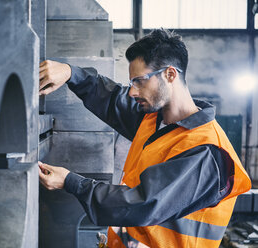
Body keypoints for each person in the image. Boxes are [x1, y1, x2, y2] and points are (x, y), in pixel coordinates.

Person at [38, 29, 251, 248]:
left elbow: (142, 203)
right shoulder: (154, 121)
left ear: (170, 74)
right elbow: (112, 99)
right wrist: (70, 73)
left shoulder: (206, 151)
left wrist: (71, 182)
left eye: (139, 81)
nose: (132, 91)